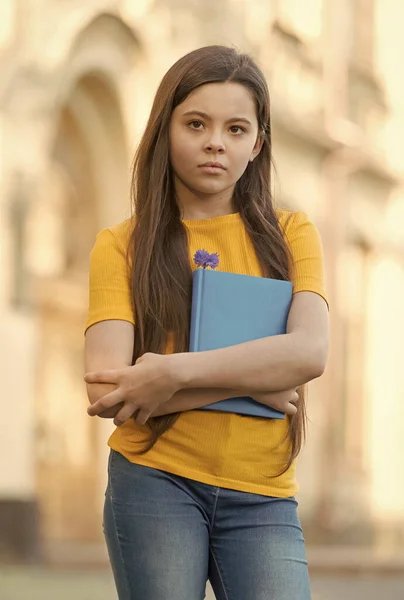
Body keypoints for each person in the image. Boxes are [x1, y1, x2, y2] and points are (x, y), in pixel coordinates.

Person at [84, 45, 329, 600]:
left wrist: (168, 374)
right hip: (154, 483)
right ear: (165, 129)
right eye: (196, 123)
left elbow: (309, 353)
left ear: (257, 144)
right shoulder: (121, 246)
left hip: (264, 494)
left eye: (236, 128)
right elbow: (108, 389)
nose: (216, 141)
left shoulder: (292, 235)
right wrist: (254, 381)